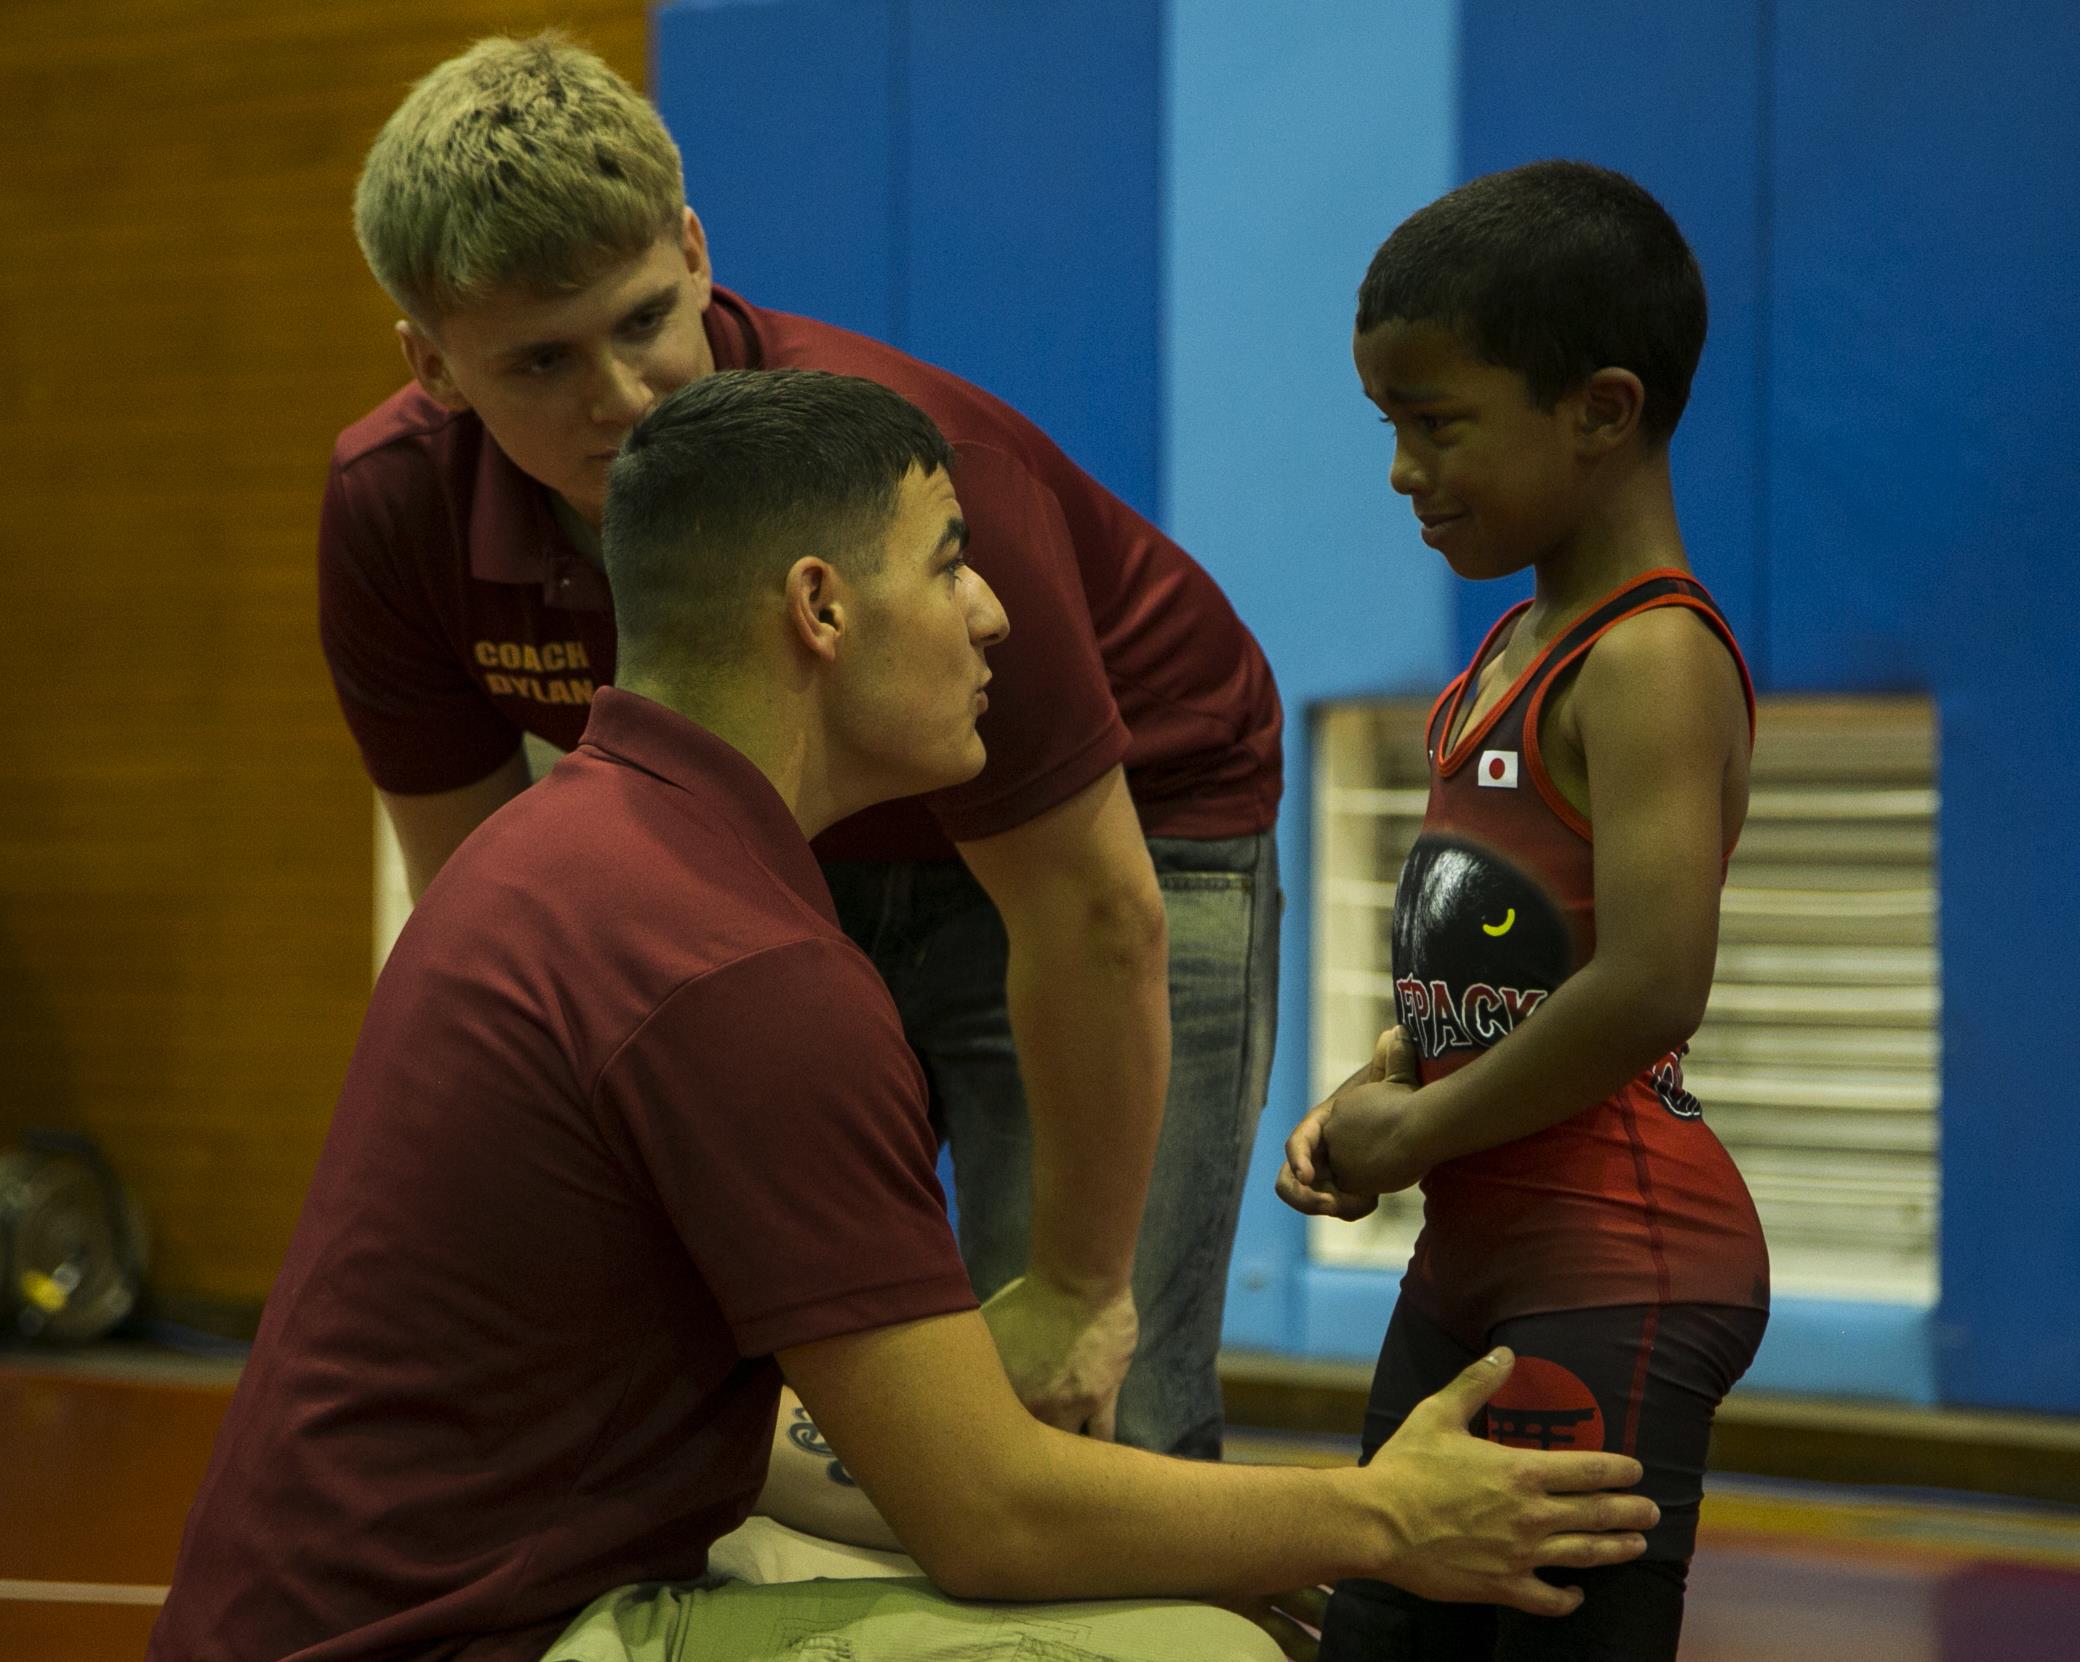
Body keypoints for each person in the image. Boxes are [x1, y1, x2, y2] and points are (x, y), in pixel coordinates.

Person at [146, 369, 1661, 1662]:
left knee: (1159, 1577)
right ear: (819, 607)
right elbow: (988, 1511)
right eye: (950, 561)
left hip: (375, 1606)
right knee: (1203, 1651)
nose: (995, 609)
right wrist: (1382, 1512)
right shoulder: (739, 967)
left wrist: (1231, 1532)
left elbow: (834, 1464)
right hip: (476, 1634)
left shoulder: (578, 850)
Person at [322, 31, 1279, 1460]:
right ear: (432, 364)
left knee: (1092, 1410)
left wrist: (1081, 1284)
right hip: (788, 860)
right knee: (749, 1393)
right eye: (539, 360)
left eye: (646, 319)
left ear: (698, 251)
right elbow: (491, 917)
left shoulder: (911, 466)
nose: (625, 398)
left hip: (1113, 829)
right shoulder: (395, 510)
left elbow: (1092, 914)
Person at [1276, 161, 1773, 1660]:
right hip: (1484, 1253)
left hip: (1615, 1260)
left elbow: (1647, 985)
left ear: (1603, 411)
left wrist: (1420, 1133)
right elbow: (1497, 959)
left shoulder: (1649, 657)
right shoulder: (1508, 649)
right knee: (1376, 1628)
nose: (1404, 472)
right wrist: (1384, 1083)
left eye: (1438, 426)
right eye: (1391, 429)